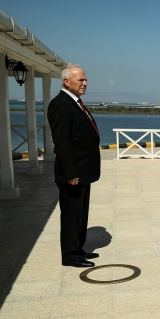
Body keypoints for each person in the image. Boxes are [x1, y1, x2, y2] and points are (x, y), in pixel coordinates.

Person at [48, 65, 101, 268]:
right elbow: (62, 144)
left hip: (83, 170)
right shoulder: (60, 105)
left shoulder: (75, 102)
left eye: (85, 80)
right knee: (71, 215)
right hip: (73, 172)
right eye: (80, 80)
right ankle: (70, 256)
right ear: (66, 82)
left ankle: (78, 248)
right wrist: (71, 173)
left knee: (80, 213)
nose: (85, 83)